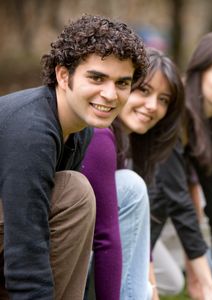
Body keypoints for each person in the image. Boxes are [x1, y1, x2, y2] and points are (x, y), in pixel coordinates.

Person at [0, 14, 148, 299]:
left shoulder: (80, 130)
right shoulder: (31, 130)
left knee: (75, 190)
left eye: (122, 83)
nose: (109, 94)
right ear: (63, 75)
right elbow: (26, 240)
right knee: (75, 193)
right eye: (97, 78)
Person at [149, 30, 212, 300]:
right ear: (200, 72)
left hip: (159, 216)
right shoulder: (173, 111)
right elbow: (176, 198)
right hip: (127, 215)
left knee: (171, 284)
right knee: (163, 197)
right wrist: (206, 286)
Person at [81, 48, 183, 300]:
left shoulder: (134, 145)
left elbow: (134, 226)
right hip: (74, 257)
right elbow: (105, 234)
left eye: (164, 100)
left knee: (169, 283)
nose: (152, 106)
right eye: (144, 91)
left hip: (98, 252)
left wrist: (151, 285)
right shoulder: (98, 134)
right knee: (130, 185)